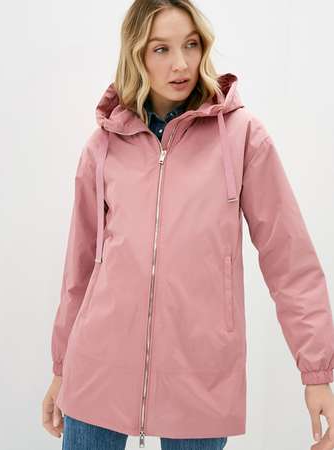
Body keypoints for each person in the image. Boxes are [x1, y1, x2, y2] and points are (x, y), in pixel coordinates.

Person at [42, 1, 334, 449]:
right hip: (98, 366)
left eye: (191, 45)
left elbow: (289, 260)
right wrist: (62, 368)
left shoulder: (242, 137)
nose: (181, 63)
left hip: (202, 374)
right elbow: (79, 271)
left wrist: (317, 374)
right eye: (161, 49)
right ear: (136, 55)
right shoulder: (102, 146)